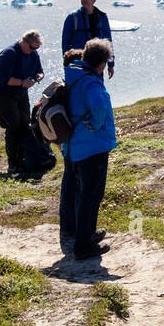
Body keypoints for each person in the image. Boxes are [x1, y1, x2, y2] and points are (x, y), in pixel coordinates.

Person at [59, 38, 116, 260]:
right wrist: (99, 123)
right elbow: (99, 106)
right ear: (101, 63)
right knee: (91, 195)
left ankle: (83, 233)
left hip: (75, 146)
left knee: (81, 192)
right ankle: (84, 245)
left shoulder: (73, 74)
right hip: (92, 146)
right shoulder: (91, 82)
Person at [0, 29, 54, 174]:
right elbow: (4, 79)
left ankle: (25, 156)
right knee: (13, 125)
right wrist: (21, 82)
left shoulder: (32, 53)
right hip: (4, 94)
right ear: (24, 42)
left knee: (24, 123)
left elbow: (40, 70)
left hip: (21, 92)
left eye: (37, 48)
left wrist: (38, 77)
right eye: (32, 47)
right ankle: (13, 163)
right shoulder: (8, 54)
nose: (34, 50)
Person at [61, 0, 114, 78]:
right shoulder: (72, 18)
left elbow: (108, 41)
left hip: (97, 63)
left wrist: (110, 64)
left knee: (95, 88)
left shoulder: (102, 17)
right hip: (78, 63)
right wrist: (67, 63)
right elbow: (65, 43)